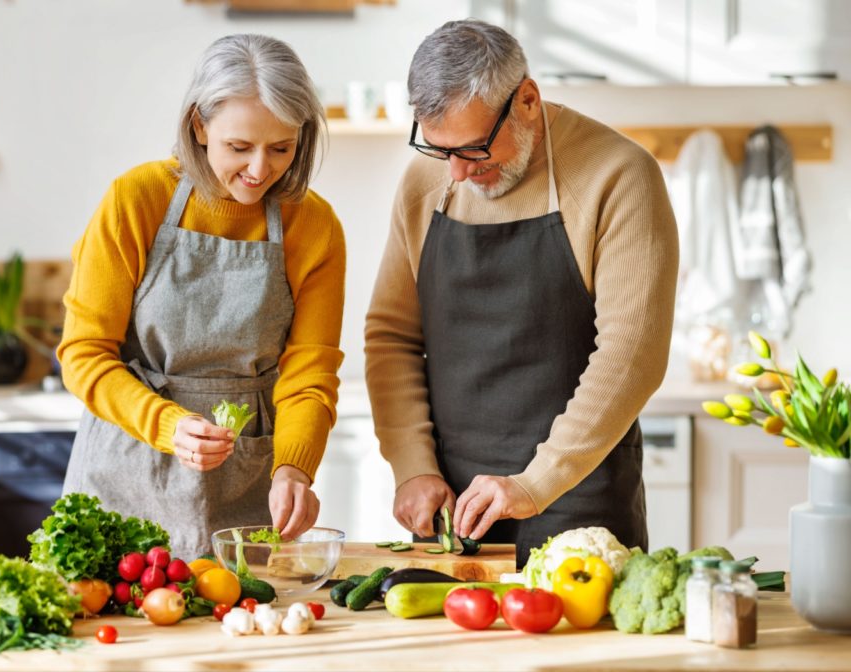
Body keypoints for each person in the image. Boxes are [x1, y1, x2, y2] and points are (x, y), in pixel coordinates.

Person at [364, 19, 678, 567]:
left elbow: (633, 354)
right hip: (453, 514)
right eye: (441, 151)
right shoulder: (425, 183)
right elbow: (391, 336)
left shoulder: (619, 176)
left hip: (581, 504)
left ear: (527, 99)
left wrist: (536, 482)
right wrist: (412, 467)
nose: (458, 173)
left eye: (475, 149)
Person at [59, 34, 345, 562]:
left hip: (246, 485)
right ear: (199, 125)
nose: (260, 170)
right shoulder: (136, 199)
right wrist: (167, 424)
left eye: (281, 148)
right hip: (129, 467)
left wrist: (294, 468)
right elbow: (83, 356)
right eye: (240, 147)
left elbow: (310, 372)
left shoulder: (315, 226)